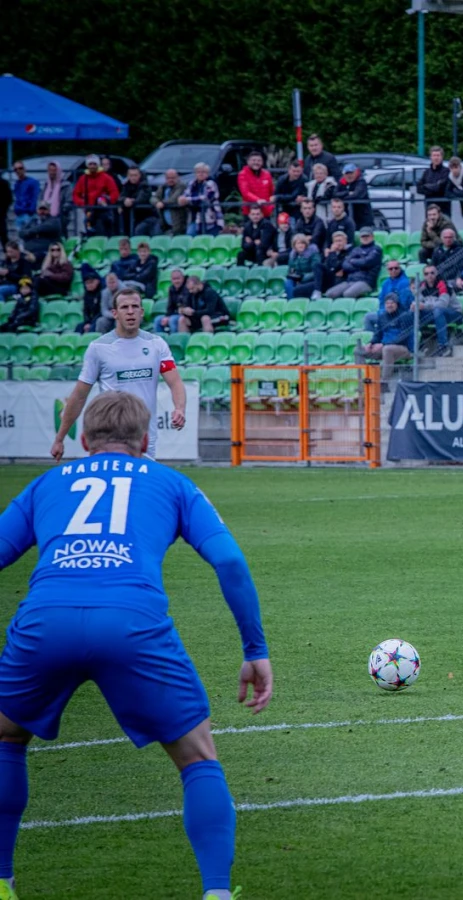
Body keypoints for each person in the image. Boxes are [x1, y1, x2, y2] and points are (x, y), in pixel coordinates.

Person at [0, 389, 272, 900]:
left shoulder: (45, 484)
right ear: (145, 441)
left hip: (46, 621)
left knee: (6, 738)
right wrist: (254, 649)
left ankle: (1, 882)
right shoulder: (172, 482)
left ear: (83, 440)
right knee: (198, 757)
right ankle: (216, 893)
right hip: (132, 624)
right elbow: (230, 561)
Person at [53, 288, 187, 462]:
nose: (130, 312)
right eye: (124, 307)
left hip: (144, 437)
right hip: (109, 437)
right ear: (115, 313)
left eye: (135, 306)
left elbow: (175, 382)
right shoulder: (99, 348)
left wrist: (179, 408)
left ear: (141, 312)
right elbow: (79, 396)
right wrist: (60, 438)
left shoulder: (156, 344)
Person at [356, 295, 416, 378]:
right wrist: (371, 343)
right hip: (385, 346)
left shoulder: (405, 316)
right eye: (387, 303)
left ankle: (384, 381)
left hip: (404, 348)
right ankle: (365, 378)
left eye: (392, 303)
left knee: (387, 349)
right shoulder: (382, 316)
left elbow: (403, 337)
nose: (389, 305)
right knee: (358, 350)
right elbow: (378, 334)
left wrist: (383, 344)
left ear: (397, 304)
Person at [413, 264, 463, 354]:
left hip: (454, 314)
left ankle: (443, 345)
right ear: (423, 275)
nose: (429, 275)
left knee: (438, 311)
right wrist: (414, 305)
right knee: (412, 312)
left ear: (436, 273)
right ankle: (416, 344)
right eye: (426, 273)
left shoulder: (443, 285)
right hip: (434, 313)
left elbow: (442, 305)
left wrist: (424, 306)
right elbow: (417, 301)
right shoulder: (422, 287)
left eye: (432, 273)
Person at [326, 227, 382, 299]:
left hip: (366, 281)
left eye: (367, 236)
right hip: (350, 280)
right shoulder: (356, 249)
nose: (365, 238)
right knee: (330, 293)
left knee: (348, 294)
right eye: (363, 236)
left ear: (372, 237)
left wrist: (353, 261)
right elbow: (345, 265)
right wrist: (360, 266)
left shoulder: (376, 249)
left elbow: (366, 262)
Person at [184, 164, 223, 237]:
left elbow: (206, 198)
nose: (201, 174)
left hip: (211, 218)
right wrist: (183, 199)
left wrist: (187, 200)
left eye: (203, 172)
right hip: (195, 217)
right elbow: (185, 195)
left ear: (207, 173)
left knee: (210, 239)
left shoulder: (211, 183)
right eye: (198, 172)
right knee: (190, 235)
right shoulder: (191, 183)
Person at [336, 163, 373, 230]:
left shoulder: (361, 181)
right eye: (347, 173)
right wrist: (347, 193)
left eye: (351, 173)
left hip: (363, 218)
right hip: (349, 217)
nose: (349, 176)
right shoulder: (342, 181)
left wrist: (342, 197)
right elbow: (335, 194)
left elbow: (356, 195)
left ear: (356, 172)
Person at [283, 233, 321, 299]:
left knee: (300, 287)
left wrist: (303, 277)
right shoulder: (293, 256)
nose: (301, 245)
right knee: (288, 282)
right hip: (298, 278)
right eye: (298, 243)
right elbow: (291, 270)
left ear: (306, 244)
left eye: (302, 243)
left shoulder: (313, 253)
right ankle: (291, 301)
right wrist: (294, 276)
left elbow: (316, 271)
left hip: (310, 279)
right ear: (294, 245)